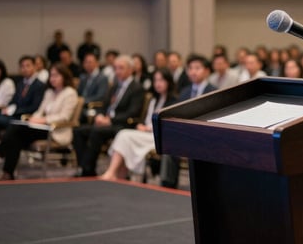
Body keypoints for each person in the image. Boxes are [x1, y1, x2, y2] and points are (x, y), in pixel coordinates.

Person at [0, 63, 79, 180]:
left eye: (56, 76)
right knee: (15, 135)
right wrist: (33, 119)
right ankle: (7, 173)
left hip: (56, 130)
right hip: (40, 128)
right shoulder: (49, 92)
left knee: (15, 130)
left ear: (64, 76)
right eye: (51, 76)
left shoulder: (70, 93)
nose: (53, 78)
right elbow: (39, 111)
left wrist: (43, 120)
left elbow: (65, 117)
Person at [72, 54, 145, 177]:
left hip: (122, 124)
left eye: (121, 68)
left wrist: (110, 120)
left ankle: (87, 169)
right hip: (107, 122)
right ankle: (84, 166)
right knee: (78, 131)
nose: (117, 71)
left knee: (97, 132)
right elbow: (103, 105)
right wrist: (99, 116)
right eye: (115, 68)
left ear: (130, 69)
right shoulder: (115, 85)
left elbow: (133, 112)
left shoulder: (136, 88)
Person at [100, 68, 177, 181]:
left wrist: (148, 128)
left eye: (161, 80)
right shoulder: (154, 99)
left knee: (124, 135)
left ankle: (112, 172)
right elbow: (146, 118)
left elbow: (168, 123)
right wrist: (141, 125)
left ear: (168, 82)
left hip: (159, 137)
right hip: (147, 133)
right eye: (155, 80)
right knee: (124, 135)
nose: (158, 84)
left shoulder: (173, 101)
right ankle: (119, 174)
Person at [159, 54, 217, 188]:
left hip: (204, 136)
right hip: (185, 135)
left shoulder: (214, 91)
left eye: (197, 68)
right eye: (190, 68)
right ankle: (168, 186)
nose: (193, 72)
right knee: (170, 146)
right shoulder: (184, 91)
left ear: (207, 71)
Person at [0, 56, 46, 159]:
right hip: (12, 116)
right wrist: (8, 109)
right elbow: (13, 101)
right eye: (22, 66)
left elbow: (34, 107)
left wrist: (14, 111)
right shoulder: (21, 83)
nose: (25, 69)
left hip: (23, 118)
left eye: (28, 66)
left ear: (34, 66)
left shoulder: (39, 85)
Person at [77, 52, 109, 123]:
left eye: (90, 62)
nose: (87, 64)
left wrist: (83, 101)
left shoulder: (102, 78)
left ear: (97, 63)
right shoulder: (83, 77)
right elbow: (78, 93)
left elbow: (100, 96)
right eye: (86, 62)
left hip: (94, 106)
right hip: (81, 105)